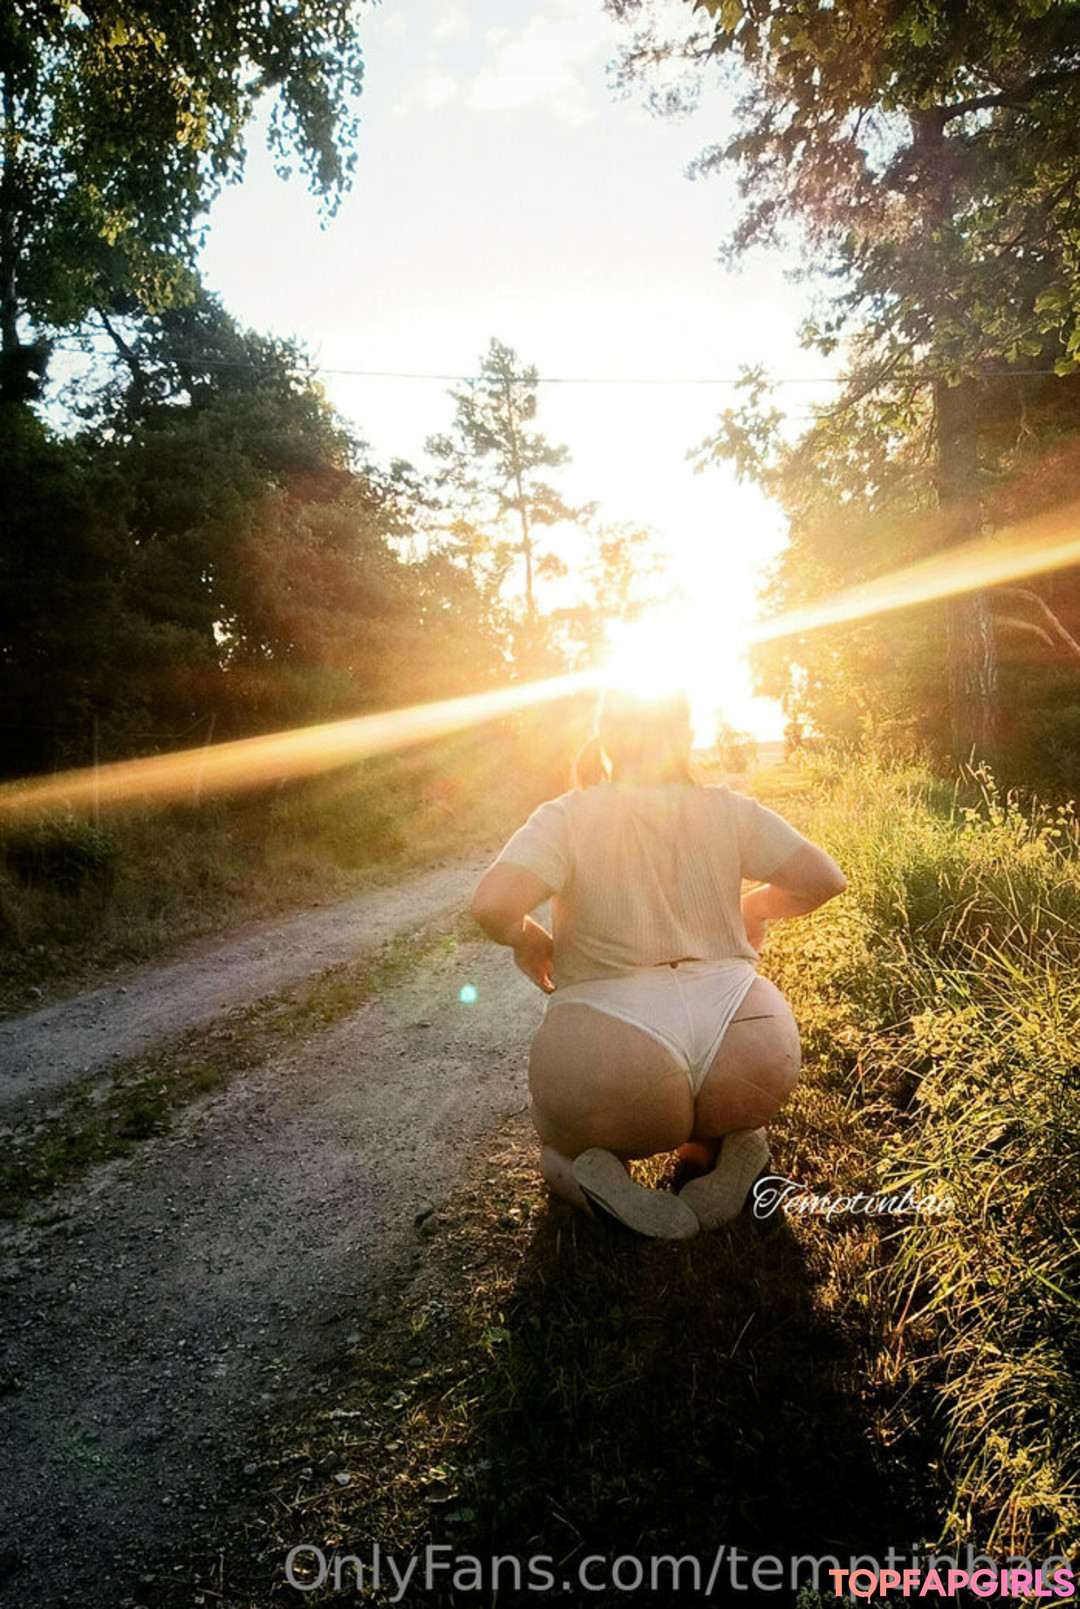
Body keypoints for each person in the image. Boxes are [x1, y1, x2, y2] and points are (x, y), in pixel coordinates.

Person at [470, 687, 848, 1239]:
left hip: (616, 1055)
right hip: (745, 1041)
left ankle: (591, 1177)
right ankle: (728, 1149)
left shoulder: (568, 816)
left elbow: (491, 904)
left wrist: (527, 939)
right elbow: (825, 879)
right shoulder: (728, 809)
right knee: (718, 1105)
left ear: (604, 738)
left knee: (559, 1143)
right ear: (687, 738)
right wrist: (753, 908)